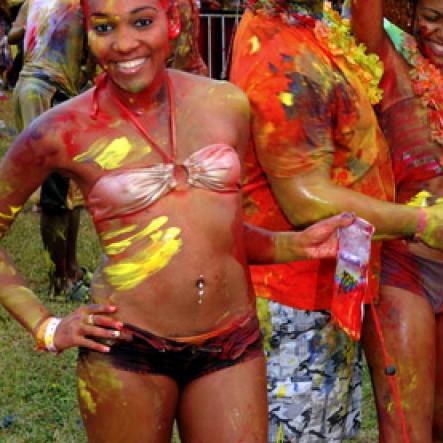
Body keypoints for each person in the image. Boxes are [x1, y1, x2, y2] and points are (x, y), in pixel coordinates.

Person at [0, 0, 359, 440]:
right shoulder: (60, 131)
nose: (124, 43)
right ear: (87, 33)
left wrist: (295, 245)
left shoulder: (225, 105)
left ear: (173, 23)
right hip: (128, 348)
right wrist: (47, 326)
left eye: (143, 21)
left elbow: (217, 234)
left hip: (232, 344)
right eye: (104, 27)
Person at [229, 0, 443, 441]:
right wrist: (421, 223)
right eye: (434, 16)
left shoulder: (314, 29)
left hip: (335, 287)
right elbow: (304, 201)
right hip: (296, 296)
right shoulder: (279, 51)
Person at [350, 0, 443, 441]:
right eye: (433, 17)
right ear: (409, 13)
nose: (442, 31)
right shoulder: (389, 61)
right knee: (407, 427)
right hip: (405, 267)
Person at [11, 0, 90, 301]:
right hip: (44, 92)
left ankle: (71, 270)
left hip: (47, 91)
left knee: (70, 186)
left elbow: (14, 33)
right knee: (55, 191)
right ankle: (60, 281)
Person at [0, 0, 11, 90]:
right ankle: (4, 86)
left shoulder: (4, 7)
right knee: (4, 65)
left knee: (5, 65)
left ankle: (4, 86)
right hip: (4, 38)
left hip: (3, 39)